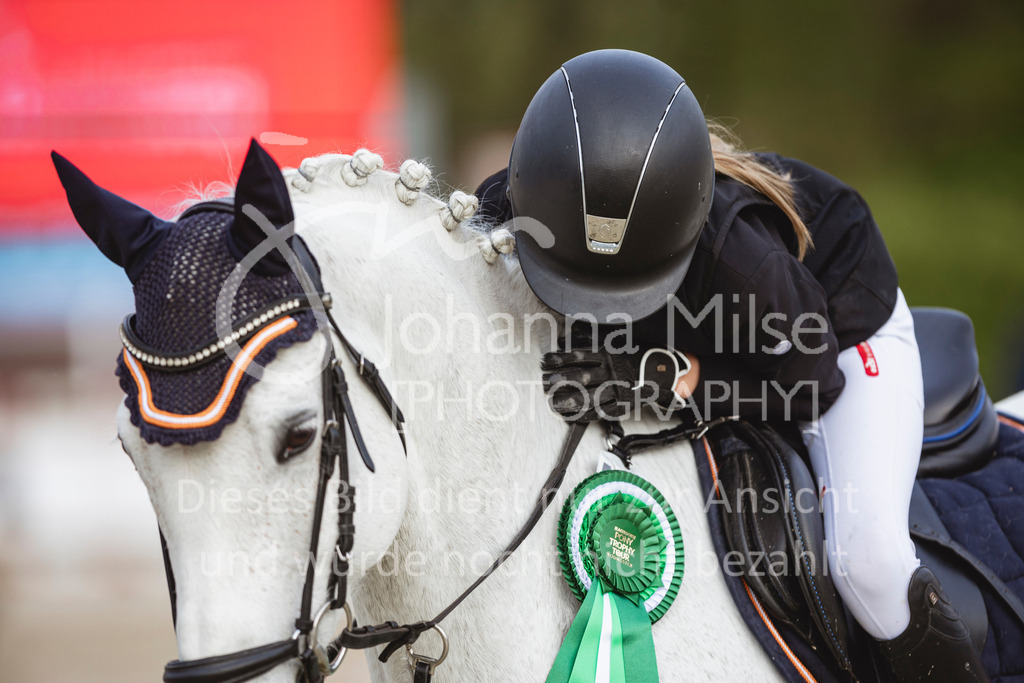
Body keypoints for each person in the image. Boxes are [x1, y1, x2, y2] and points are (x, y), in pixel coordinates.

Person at [474, 49, 986, 681]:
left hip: (834, 338)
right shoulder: (525, 199)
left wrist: (670, 377)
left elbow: (813, 385)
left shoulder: (745, 262)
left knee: (871, 562)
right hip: (720, 321)